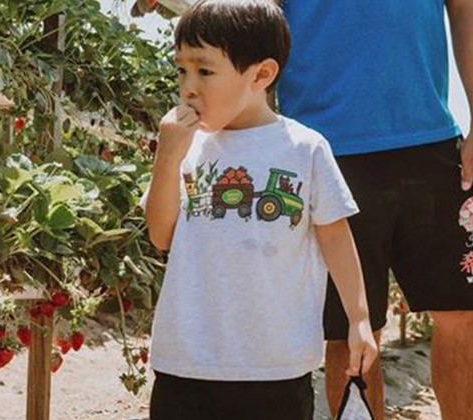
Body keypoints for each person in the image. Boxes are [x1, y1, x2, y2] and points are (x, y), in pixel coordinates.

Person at [141, 1, 377, 418]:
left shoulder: (304, 148)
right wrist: (167, 157)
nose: (188, 87)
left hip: (276, 368)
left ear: (262, 74)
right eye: (182, 70)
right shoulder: (186, 148)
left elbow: (335, 235)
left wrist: (359, 319)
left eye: (205, 71)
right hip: (185, 362)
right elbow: (161, 235)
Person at [274, 1, 473, 418]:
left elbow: (470, 10)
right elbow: (256, 19)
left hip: (432, 142)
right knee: (349, 331)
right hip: (323, 151)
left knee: (465, 314)